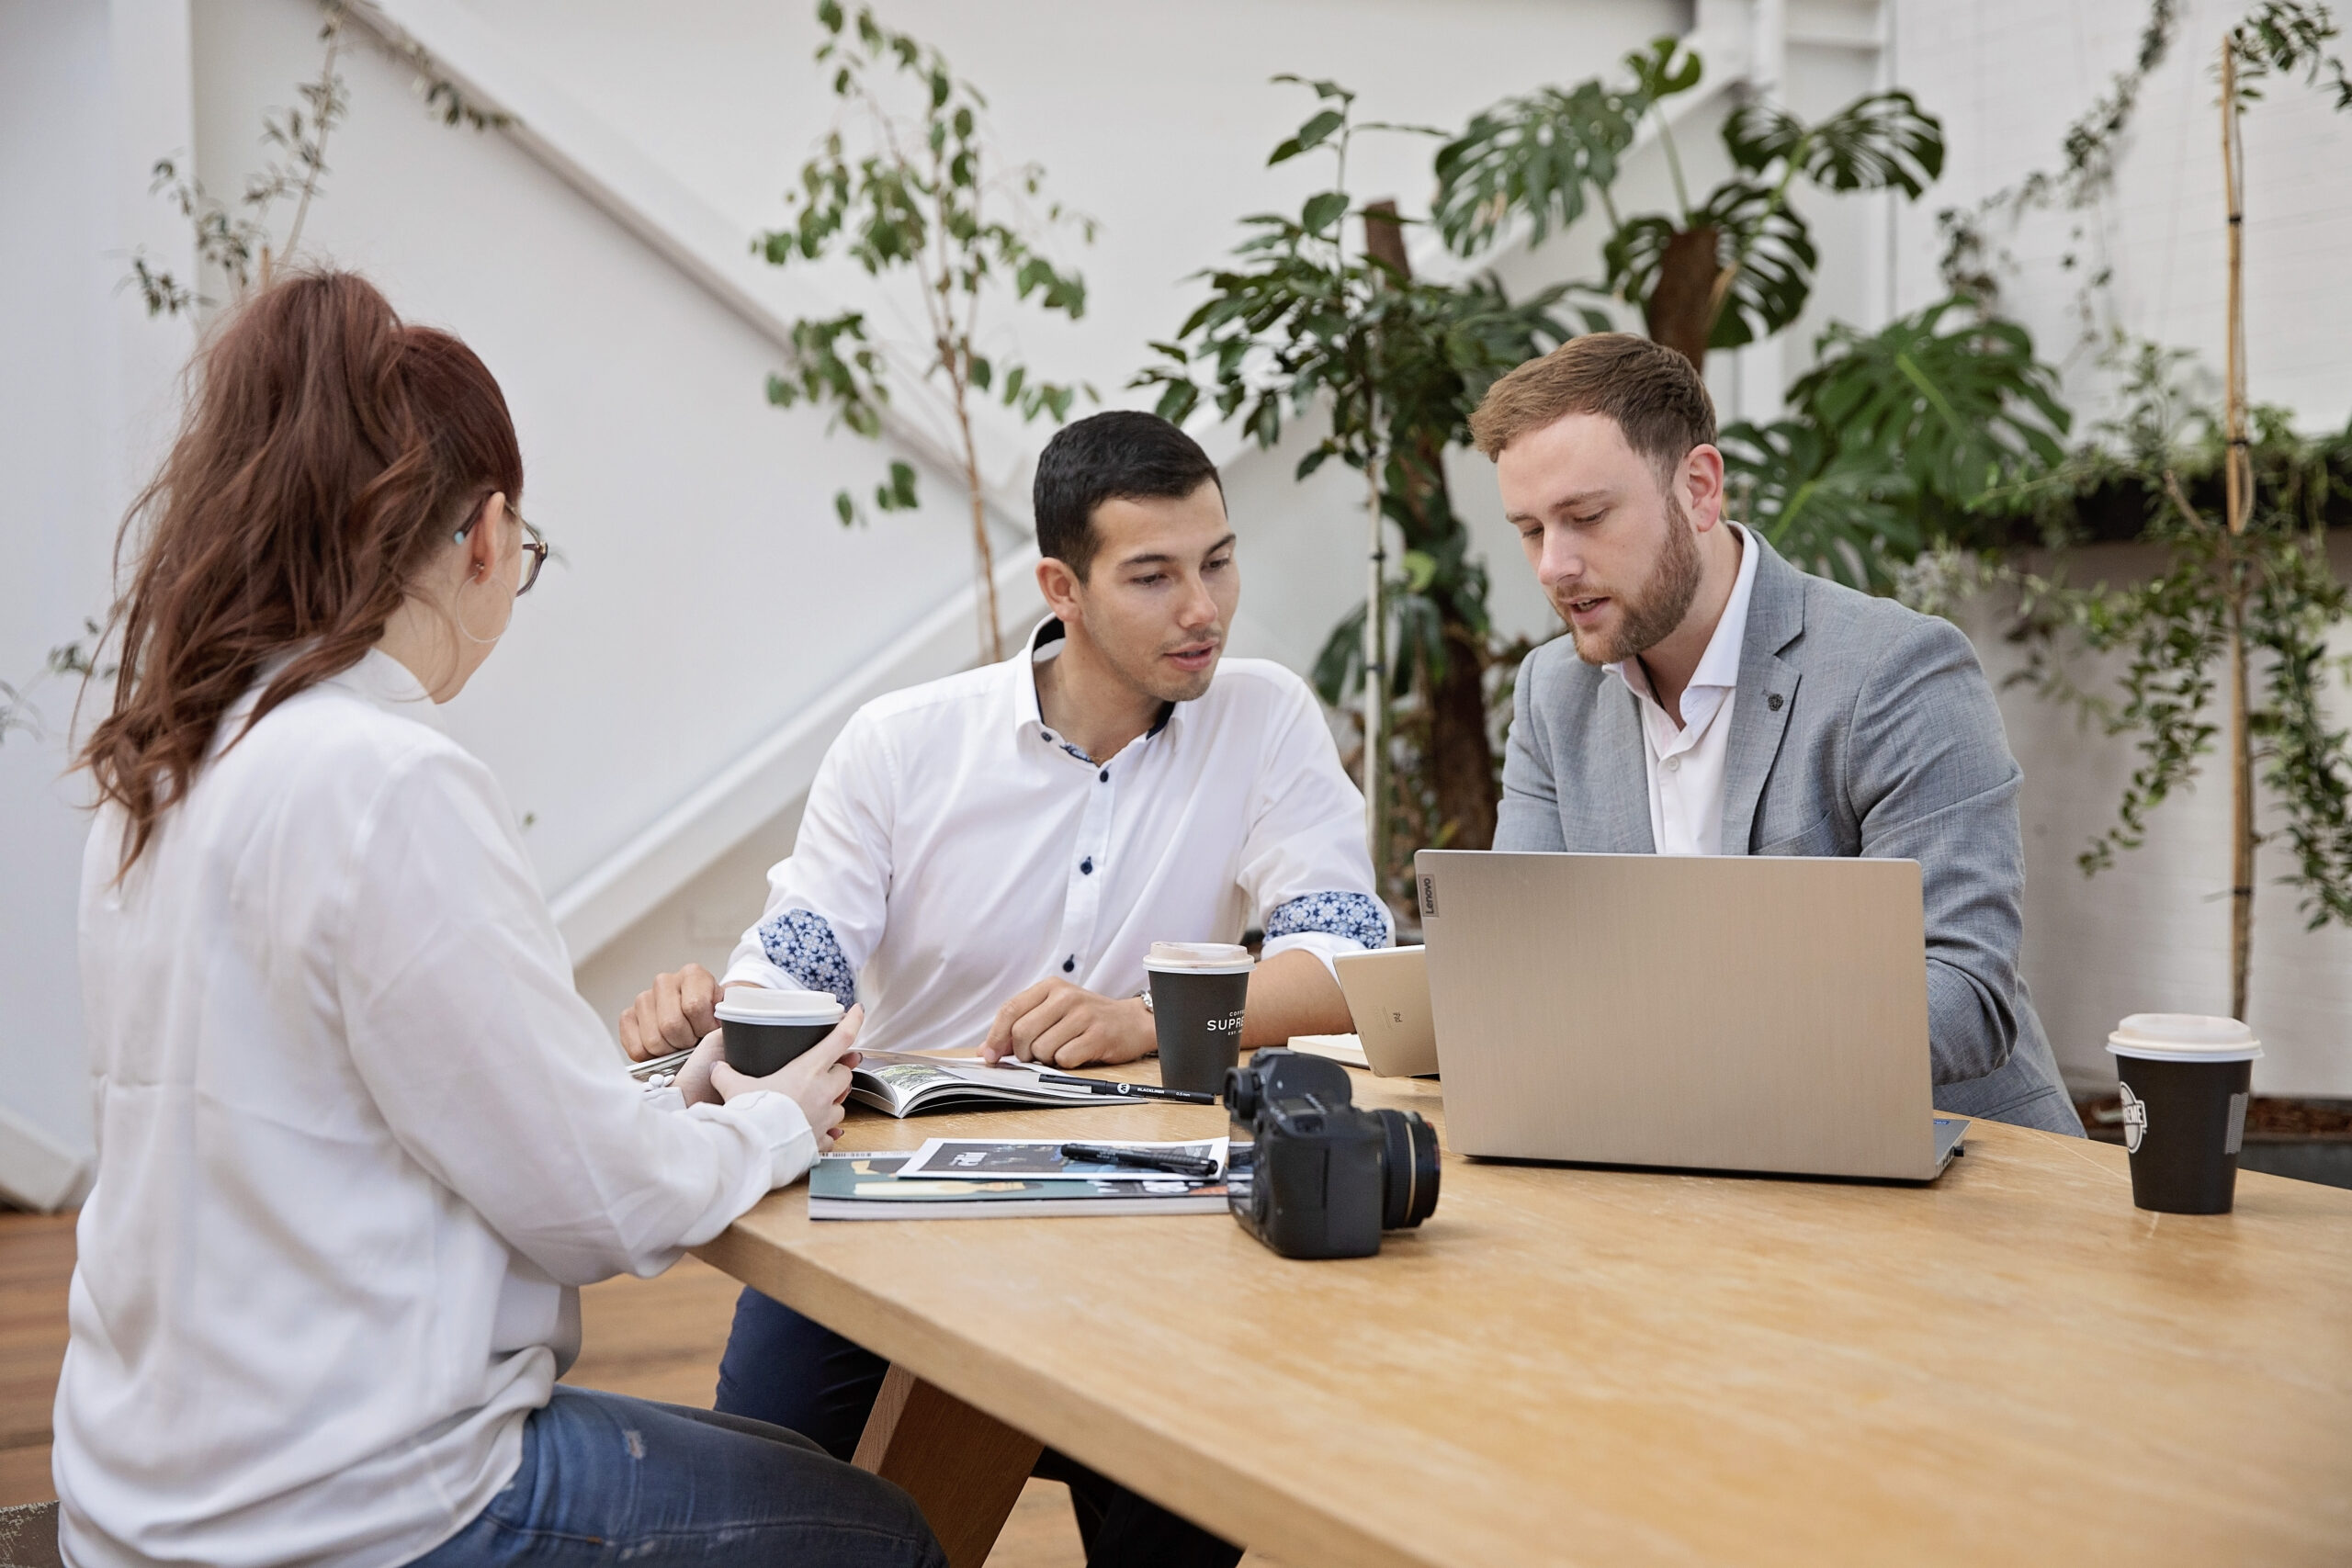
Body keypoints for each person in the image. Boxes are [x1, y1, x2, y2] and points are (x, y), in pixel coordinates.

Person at [56, 270, 945, 1568]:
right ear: (483, 534)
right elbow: (594, 1213)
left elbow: (425, 1129)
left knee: (794, 1475)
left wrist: (665, 1105)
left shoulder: (167, 773)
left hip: (140, 1497)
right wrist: (770, 1120)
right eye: (520, 554)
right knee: (874, 1532)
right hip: (366, 1508)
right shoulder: (386, 779)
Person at [620, 410, 1386, 1566]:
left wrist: (1145, 1019)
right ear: (1060, 587)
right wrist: (715, 1014)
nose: (1204, 609)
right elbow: (797, 960)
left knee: (1199, 1508)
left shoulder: (1265, 716)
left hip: (1154, 1229)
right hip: (885, 1215)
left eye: (1218, 561)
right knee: (766, 1521)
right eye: (1154, 575)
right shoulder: (902, 743)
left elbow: (1340, 964)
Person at [1470, 333, 2084, 1135]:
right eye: (1530, 530)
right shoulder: (1554, 693)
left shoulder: (1895, 671)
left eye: (1585, 517)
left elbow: (1964, 995)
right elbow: (1524, 963)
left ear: (1698, 488)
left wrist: (1683, 1037)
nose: (1553, 565)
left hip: (1939, 1174)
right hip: (1669, 1159)